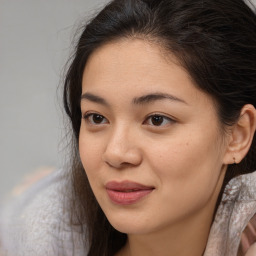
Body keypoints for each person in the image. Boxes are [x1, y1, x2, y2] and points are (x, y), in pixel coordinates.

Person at [0, 0, 256, 255]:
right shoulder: (31, 240)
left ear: (238, 135)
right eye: (97, 118)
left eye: (157, 119)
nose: (116, 153)